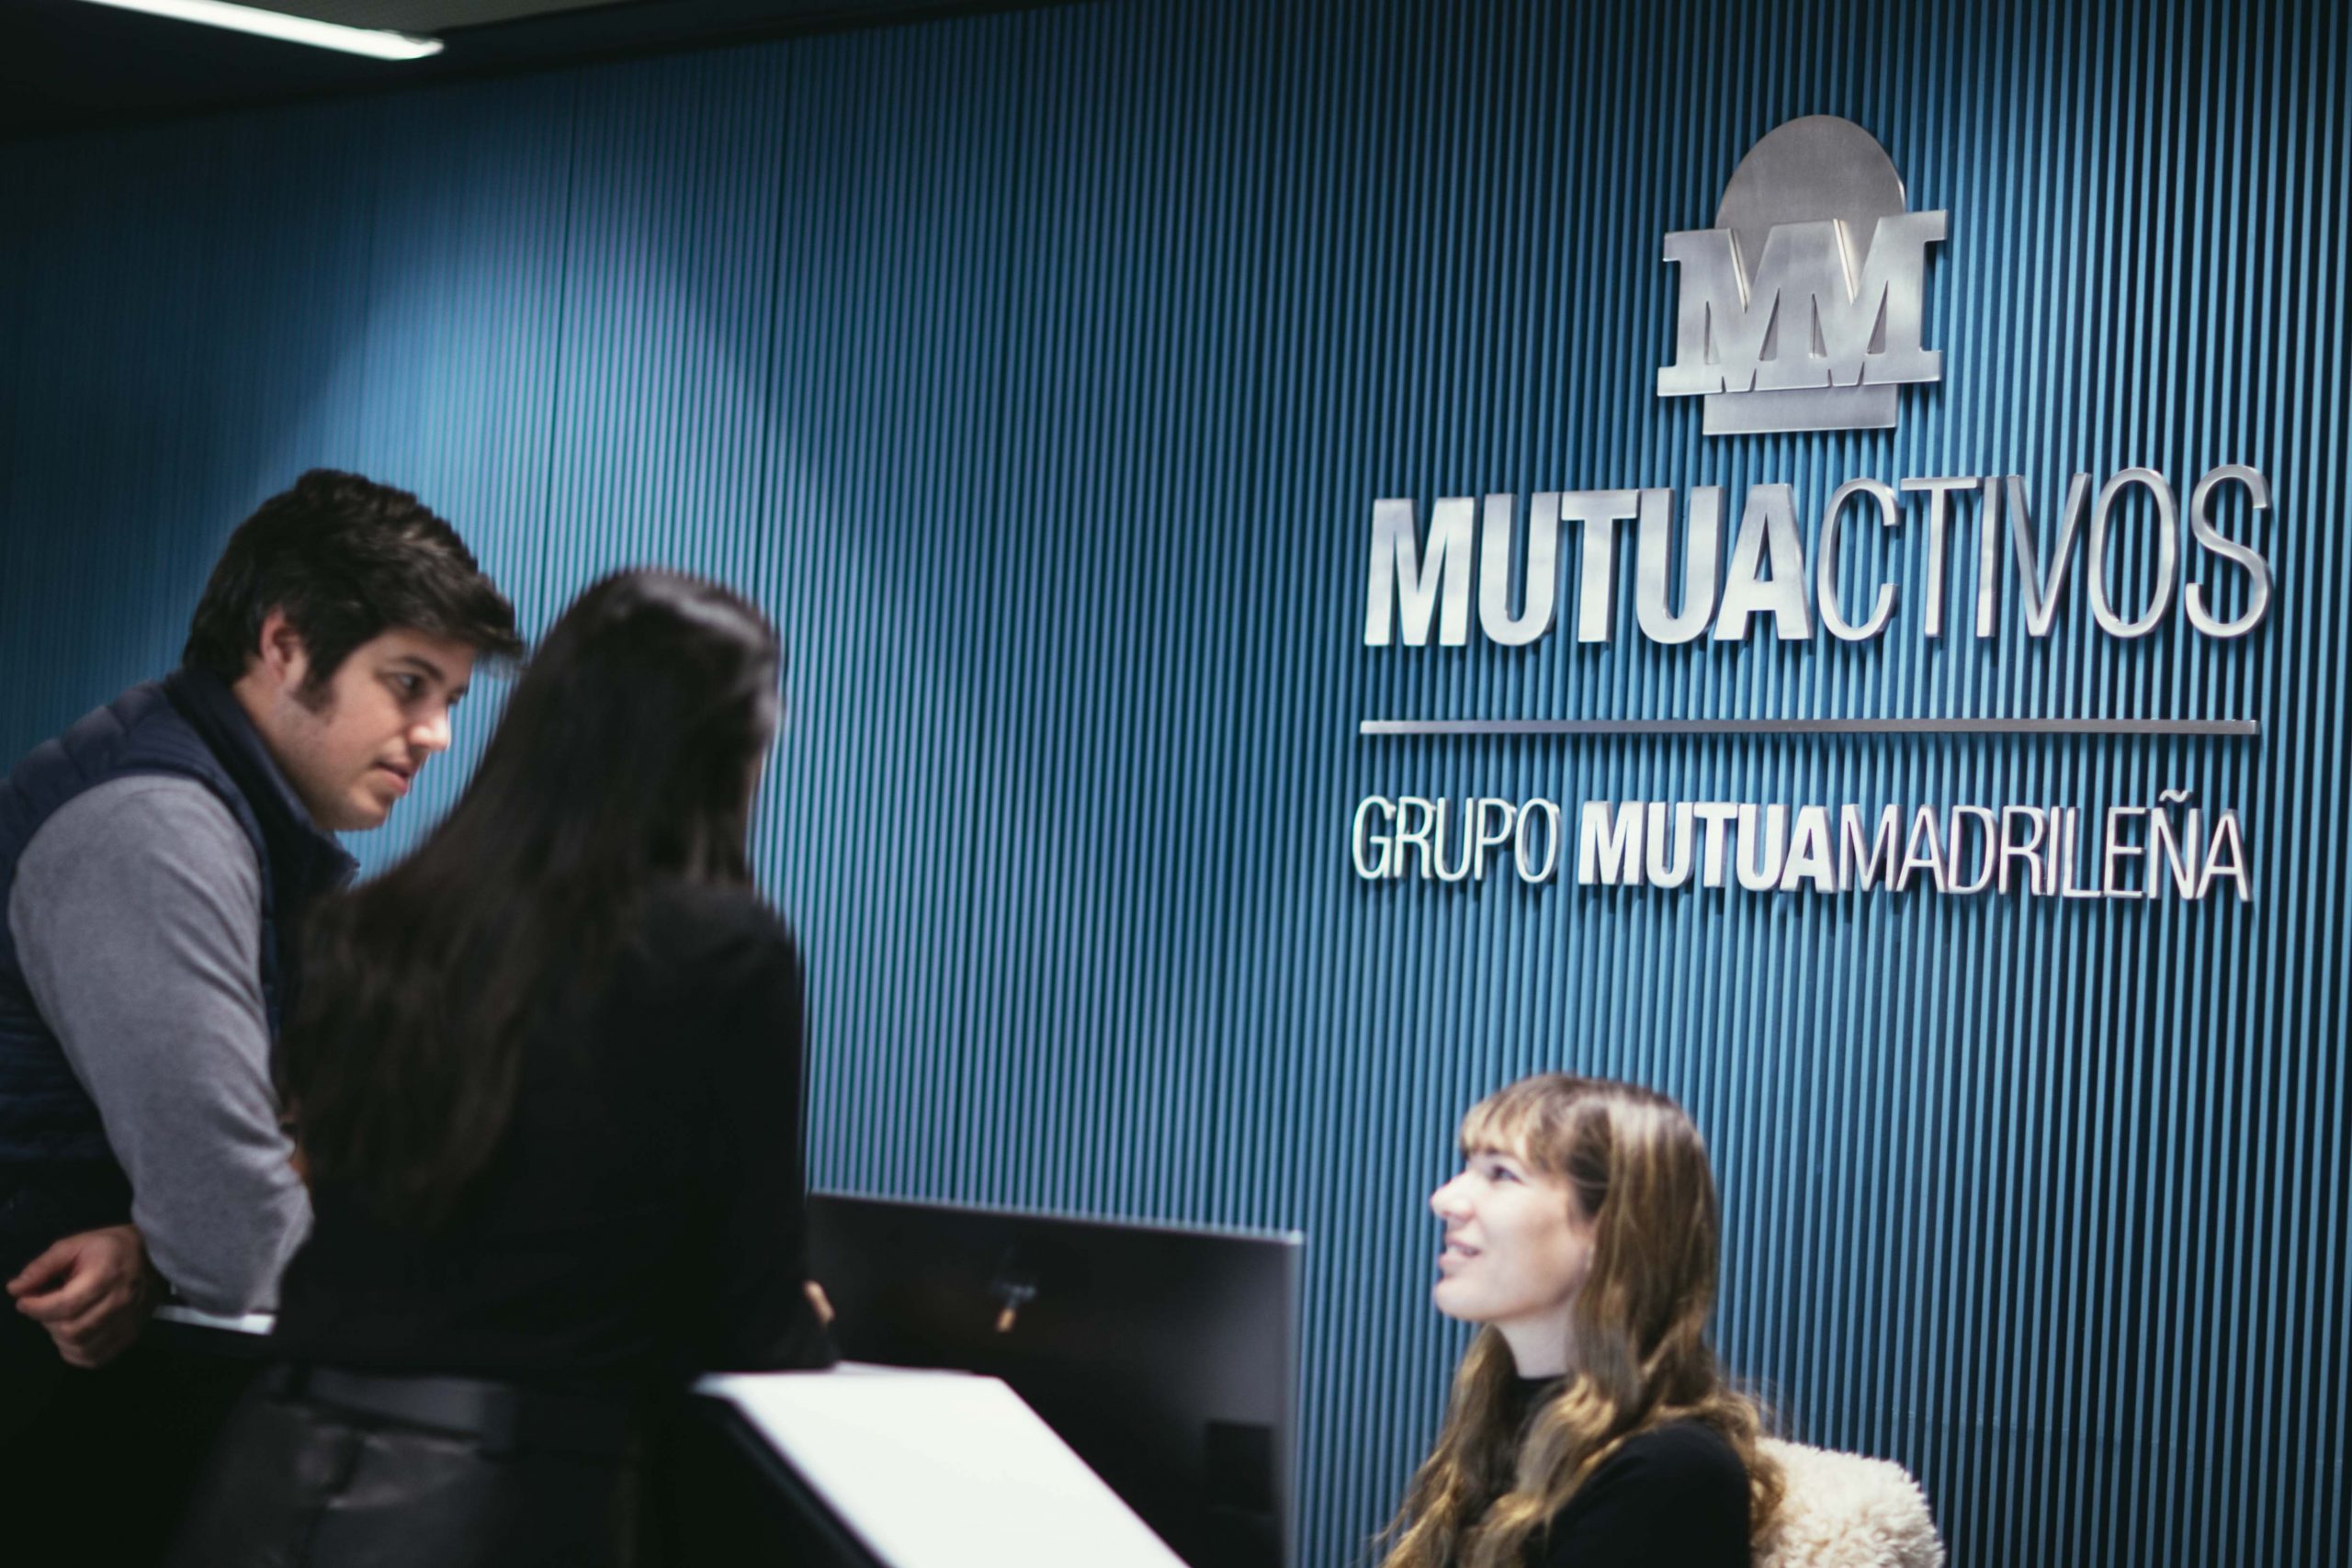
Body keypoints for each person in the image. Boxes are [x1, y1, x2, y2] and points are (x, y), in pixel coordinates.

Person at [168, 568, 838, 1568]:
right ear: (731, 746)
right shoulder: (722, 950)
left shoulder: (373, 930)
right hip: (501, 1498)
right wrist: (799, 1320)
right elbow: (755, 1318)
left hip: (269, 1471)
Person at [0, 469, 520, 1558]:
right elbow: (242, 1240)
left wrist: (155, 1237)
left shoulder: (251, 834)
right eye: (407, 684)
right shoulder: (157, 832)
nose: (434, 734)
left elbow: (315, 1149)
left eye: (449, 701)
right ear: (284, 644)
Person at [1378, 1075, 1782, 1568]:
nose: (1445, 1198)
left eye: (1502, 1173)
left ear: (1610, 1228)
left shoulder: (1669, 1472)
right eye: (1469, 1167)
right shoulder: (1502, 1424)